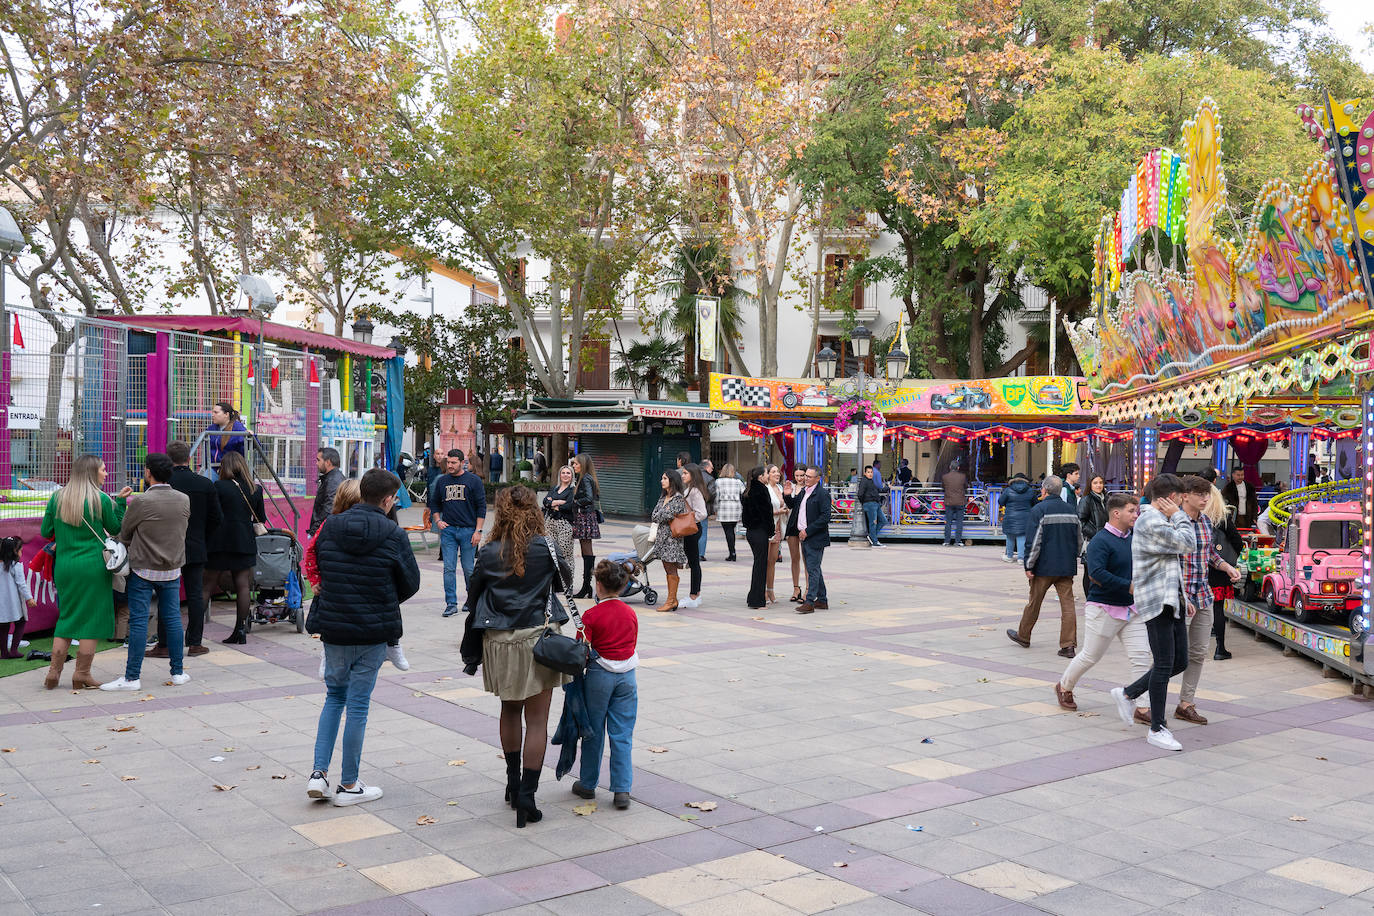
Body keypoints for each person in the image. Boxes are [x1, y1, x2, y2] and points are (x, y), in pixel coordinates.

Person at [307, 469, 420, 807]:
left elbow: (320, 563)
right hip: (372, 629)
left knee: (333, 698)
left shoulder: (331, 525)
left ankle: (318, 773)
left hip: (335, 625)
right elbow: (410, 581)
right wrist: (383, 597)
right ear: (386, 500)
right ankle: (349, 783)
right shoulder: (393, 533)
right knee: (357, 705)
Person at [464, 486, 572, 827]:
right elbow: (565, 583)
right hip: (539, 638)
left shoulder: (489, 550)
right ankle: (528, 796)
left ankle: (512, 784)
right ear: (534, 513)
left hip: (499, 641)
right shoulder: (547, 548)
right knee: (537, 720)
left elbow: (473, 593)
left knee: (509, 710)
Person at [1110, 473, 1196, 752]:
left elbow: (1171, 561)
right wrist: (1181, 517)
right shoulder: (1151, 520)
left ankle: (1128, 693)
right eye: (1182, 498)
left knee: (1180, 661)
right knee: (1163, 664)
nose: (1184, 502)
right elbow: (1187, 544)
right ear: (1171, 498)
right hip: (1156, 599)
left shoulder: (1161, 520)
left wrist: (1184, 596)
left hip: (1171, 598)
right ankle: (1157, 728)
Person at [99, 453, 192, 691]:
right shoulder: (183, 499)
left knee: (139, 621)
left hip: (143, 569)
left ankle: (132, 677)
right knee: (172, 619)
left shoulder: (141, 502)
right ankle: (178, 671)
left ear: (148, 472)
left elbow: (125, 533)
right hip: (172, 568)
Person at [40, 456, 131, 689]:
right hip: (93, 568)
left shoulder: (57, 498)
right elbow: (115, 528)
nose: (106, 473)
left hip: (65, 567)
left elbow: (45, 530)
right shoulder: (100, 499)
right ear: (92, 473)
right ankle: (81, 674)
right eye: (103, 469)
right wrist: (121, 503)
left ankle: (54, 672)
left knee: (66, 617)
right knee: (92, 621)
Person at [1055, 494, 1152, 713]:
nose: (1136, 515)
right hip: (1104, 608)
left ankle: (1143, 707)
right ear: (1116, 513)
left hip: (1132, 609)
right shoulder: (1100, 540)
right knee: (1091, 655)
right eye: (1131, 511)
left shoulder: (1133, 537)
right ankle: (1064, 686)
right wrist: (1128, 586)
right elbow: (1096, 574)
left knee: (1141, 657)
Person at [305, 479, 410, 673]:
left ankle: (393, 644)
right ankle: (328, 655)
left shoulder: (335, 525)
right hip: (346, 595)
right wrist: (315, 579)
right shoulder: (331, 526)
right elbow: (311, 552)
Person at [570, 560, 639, 809]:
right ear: (621, 587)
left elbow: (581, 651)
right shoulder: (630, 613)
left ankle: (588, 784)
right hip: (627, 676)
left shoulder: (591, 615)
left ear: (598, 585)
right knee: (622, 734)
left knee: (593, 731)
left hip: (600, 676)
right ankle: (622, 789)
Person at [147, 441, 222, 659]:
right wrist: (201, 537)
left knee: (165, 594)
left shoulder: (162, 484)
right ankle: (195, 642)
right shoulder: (205, 484)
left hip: (166, 546)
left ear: (168, 460)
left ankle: (164, 644)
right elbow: (216, 518)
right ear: (189, 458)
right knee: (195, 595)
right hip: (196, 545)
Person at [1175, 480, 1242, 725]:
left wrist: (1226, 566)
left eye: (1207, 495)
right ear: (1184, 496)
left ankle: (1186, 703)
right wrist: (1180, 595)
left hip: (1203, 595)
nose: (1205, 499)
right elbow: (1167, 560)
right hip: (1179, 598)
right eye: (1200, 494)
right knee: (1172, 656)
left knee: (1199, 652)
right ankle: (1143, 699)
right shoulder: (1173, 522)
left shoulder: (1205, 521)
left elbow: (1209, 554)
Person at [1006, 474, 1081, 657]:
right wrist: (1074, 556)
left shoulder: (1039, 510)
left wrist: (1028, 565)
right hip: (1065, 566)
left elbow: (1034, 541)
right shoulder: (1071, 510)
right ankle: (1068, 645)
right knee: (1068, 606)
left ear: (1045, 490)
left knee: (1034, 602)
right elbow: (1079, 539)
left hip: (1044, 566)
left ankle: (1024, 635)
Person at [206, 451, 266, 645]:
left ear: (226, 467)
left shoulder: (219, 486)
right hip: (244, 540)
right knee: (243, 586)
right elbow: (261, 518)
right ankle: (240, 630)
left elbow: (214, 514)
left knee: (206, 586)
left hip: (220, 541)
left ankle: (194, 633)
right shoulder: (255, 489)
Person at [429, 449, 487, 618]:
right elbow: (434, 503)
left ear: (463, 462)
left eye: (454, 463)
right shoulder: (442, 481)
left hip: (469, 530)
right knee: (448, 568)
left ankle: (472, 601)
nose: (450, 466)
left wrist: (478, 531)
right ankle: (451, 603)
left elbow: (481, 507)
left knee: (469, 569)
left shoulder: (473, 481)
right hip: (449, 531)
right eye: (448, 462)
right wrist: (438, 520)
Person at [795, 465, 831, 615]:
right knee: (815, 568)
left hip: (814, 536)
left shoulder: (822, 494)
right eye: (805, 476)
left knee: (813, 569)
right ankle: (822, 600)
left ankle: (809, 601)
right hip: (803, 535)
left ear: (817, 478)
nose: (806, 479)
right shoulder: (804, 492)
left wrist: (808, 531)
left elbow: (825, 517)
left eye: (809, 477)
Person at [651, 471, 689, 612]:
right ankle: (672, 599)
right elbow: (654, 516)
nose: (662, 480)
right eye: (662, 478)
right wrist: (663, 514)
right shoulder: (663, 498)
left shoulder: (678, 499)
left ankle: (671, 600)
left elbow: (666, 515)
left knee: (671, 568)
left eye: (665, 478)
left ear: (672, 481)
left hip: (673, 539)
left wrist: (662, 514)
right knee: (667, 568)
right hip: (662, 539)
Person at [741, 467, 775, 609]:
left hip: (751, 532)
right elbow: (767, 513)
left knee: (758, 564)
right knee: (760, 566)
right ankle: (757, 600)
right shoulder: (761, 490)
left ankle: (753, 596)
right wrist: (771, 531)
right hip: (760, 531)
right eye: (767, 473)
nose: (768, 476)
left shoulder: (747, 490)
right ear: (761, 476)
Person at [570, 454, 602, 599]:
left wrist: (576, 502)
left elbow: (589, 498)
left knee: (587, 551)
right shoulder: (585, 478)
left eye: (576, 464)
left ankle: (586, 586)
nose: (573, 466)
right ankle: (587, 586)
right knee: (585, 550)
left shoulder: (585, 478)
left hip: (585, 516)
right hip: (586, 516)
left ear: (582, 464)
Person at [679, 464, 709, 608]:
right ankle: (695, 593)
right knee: (693, 562)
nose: (683, 475)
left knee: (694, 563)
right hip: (691, 528)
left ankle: (694, 595)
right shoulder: (689, 490)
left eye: (686, 473)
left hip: (693, 529)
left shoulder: (694, 492)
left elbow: (702, 513)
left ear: (693, 475)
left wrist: (690, 519)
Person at [0, 536, 35, 659]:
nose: (21, 553)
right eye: (20, 550)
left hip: (2, 604)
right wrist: (29, 598)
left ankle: (4, 652)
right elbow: (22, 585)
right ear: (14, 551)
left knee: (3, 627)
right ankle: (14, 650)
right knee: (21, 622)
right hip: (14, 603)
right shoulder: (16, 566)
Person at [541, 465, 578, 565]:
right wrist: (559, 502)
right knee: (550, 552)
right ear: (559, 475)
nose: (565, 475)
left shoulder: (573, 490)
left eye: (568, 473)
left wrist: (553, 503)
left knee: (564, 553)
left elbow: (569, 506)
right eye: (563, 473)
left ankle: (566, 578)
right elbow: (545, 502)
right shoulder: (554, 489)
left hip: (565, 525)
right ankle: (553, 578)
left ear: (572, 476)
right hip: (550, 523)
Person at [783, 466, 807, 602]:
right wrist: (786, 495)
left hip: (804, 526)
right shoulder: (790, 486)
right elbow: (791, 505)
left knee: (806, 558)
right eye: (797, 475)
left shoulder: (809, 488)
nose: (799, 478)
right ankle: (796, 588)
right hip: (792, 524)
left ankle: (808, 589)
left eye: (802, 475)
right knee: (794, 558)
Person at [308, 447, 344, 537]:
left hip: (326, 532)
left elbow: (329, 508)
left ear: (328, 462)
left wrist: (315, 530)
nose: (316, 463)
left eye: (318, 460)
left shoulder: (333, 480)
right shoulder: (332, 478)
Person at [765, 465, 788, 604]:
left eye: (777, 471)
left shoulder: (780, 488)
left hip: (779, 527)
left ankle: (771, 590)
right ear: (767, 474)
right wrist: (778, 512)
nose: (777, 473)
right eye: (773, 472)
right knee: (764, 561)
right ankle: (762, 591)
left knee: (772, 561)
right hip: (768, 527)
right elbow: (764, 510)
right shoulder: (765, 489)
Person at [1000, 473, 1036, 563]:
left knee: (1010, 536)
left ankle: (1009, 556)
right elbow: (1035, 503)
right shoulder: (1030, 491)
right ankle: (1021, 558)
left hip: (1010, 516)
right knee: (1022, 536)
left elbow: (1001, 501)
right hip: (1025, 517)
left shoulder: (1008, 490)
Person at [206, 401, 247, 478]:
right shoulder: (211, 428)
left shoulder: (237, 428)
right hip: (213, 468)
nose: (212, 415)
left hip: (231, 470)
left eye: (216, 412)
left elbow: (253, 444)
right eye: (212, 412)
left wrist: (251, 435)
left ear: (226, 414)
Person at [714, 464, 744, 562]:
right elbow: (744, 494)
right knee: (732, 530)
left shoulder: (718, 482)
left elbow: (717, 497)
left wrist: (715, 509)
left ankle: (732, 552)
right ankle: (732, 552)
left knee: (728, 531)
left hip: (724, 507)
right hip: (736, 507)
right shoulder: (738, 482)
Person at [856, 465, 887, 548]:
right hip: (870, 504)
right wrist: (865, 502)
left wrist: (888, 488)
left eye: (871, 472)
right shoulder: (864, 481)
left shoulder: (871, 481)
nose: (870, 474)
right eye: (868, 472)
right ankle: (874, 541)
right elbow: (860, 494)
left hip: (875, 504)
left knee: (883, 521)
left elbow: (878, 490)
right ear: (865, 473)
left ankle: (872, 536)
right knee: (873, 523)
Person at [941, 461, 969, 547]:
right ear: (958, 468)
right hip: (960, 502)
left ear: (950, 467)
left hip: (949, 502)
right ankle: (958, 541)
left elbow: (943, 487)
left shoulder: (945, 477)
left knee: (948, 522)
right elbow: (966, 486)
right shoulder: (963, 476)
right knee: (959, 522)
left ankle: (947, 541)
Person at [1078, 475, 1109, 544]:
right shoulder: (1086, 500)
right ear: (1090, 485)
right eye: (1095, 483)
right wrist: (1096, 534)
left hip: (1107, 538)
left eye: (1101, 483)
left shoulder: (1107, 499)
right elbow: (1081, 522)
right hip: (1093, 540)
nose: (1098, 485)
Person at [698, 458, 717, 561]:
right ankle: (700, 554)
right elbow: (712, 494)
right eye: (711, 468)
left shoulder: (693, 475)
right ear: (706, 467)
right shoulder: (710, 479)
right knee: (703, 531)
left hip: (691, 509)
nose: (712, 470)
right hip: (703, 508)